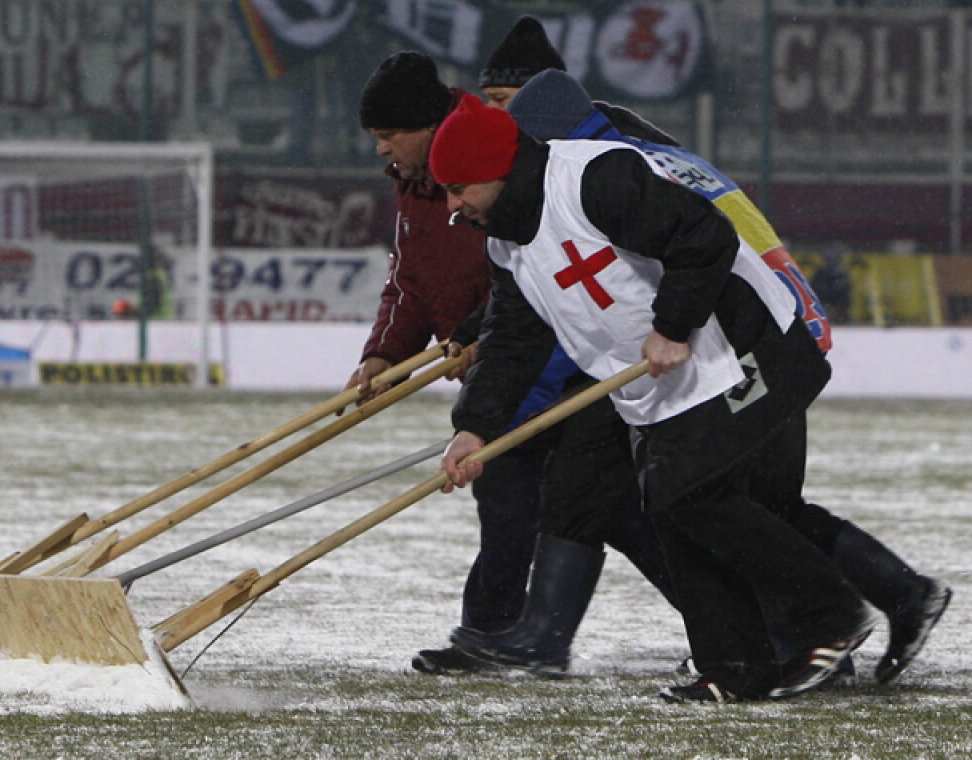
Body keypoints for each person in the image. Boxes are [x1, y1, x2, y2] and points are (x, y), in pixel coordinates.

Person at [503, 65, 950, 686]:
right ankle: (888, 601)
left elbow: (647, 279)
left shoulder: (600, 170)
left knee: (706, 499)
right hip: (771, 327)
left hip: (741, 343)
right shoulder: (654, 152)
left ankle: (817, 629)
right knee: (755, 507)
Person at [432, 93, 877, 702]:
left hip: (746, 345)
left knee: (693, 493)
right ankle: (735, 669)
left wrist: (671, 325)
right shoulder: (505, 241)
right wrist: (474, 427)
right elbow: (512, 339)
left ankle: (830, 616)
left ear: (498, 170)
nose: (453, 207)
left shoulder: (596, 176)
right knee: (667, 505)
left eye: (459, 189)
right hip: (664, 381)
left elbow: (705, 237)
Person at [345, 51, 676, 677]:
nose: (382, 150)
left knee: (606, 511)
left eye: (389, 135)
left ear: (423, 126)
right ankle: (497, 634)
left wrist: (484, 342)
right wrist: (386, 352)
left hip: (553, 367)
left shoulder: (489, 163)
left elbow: (527, 279)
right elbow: (411, 279)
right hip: (500, 368)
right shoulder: (418, 181)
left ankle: (736, 621)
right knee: (524, 508)